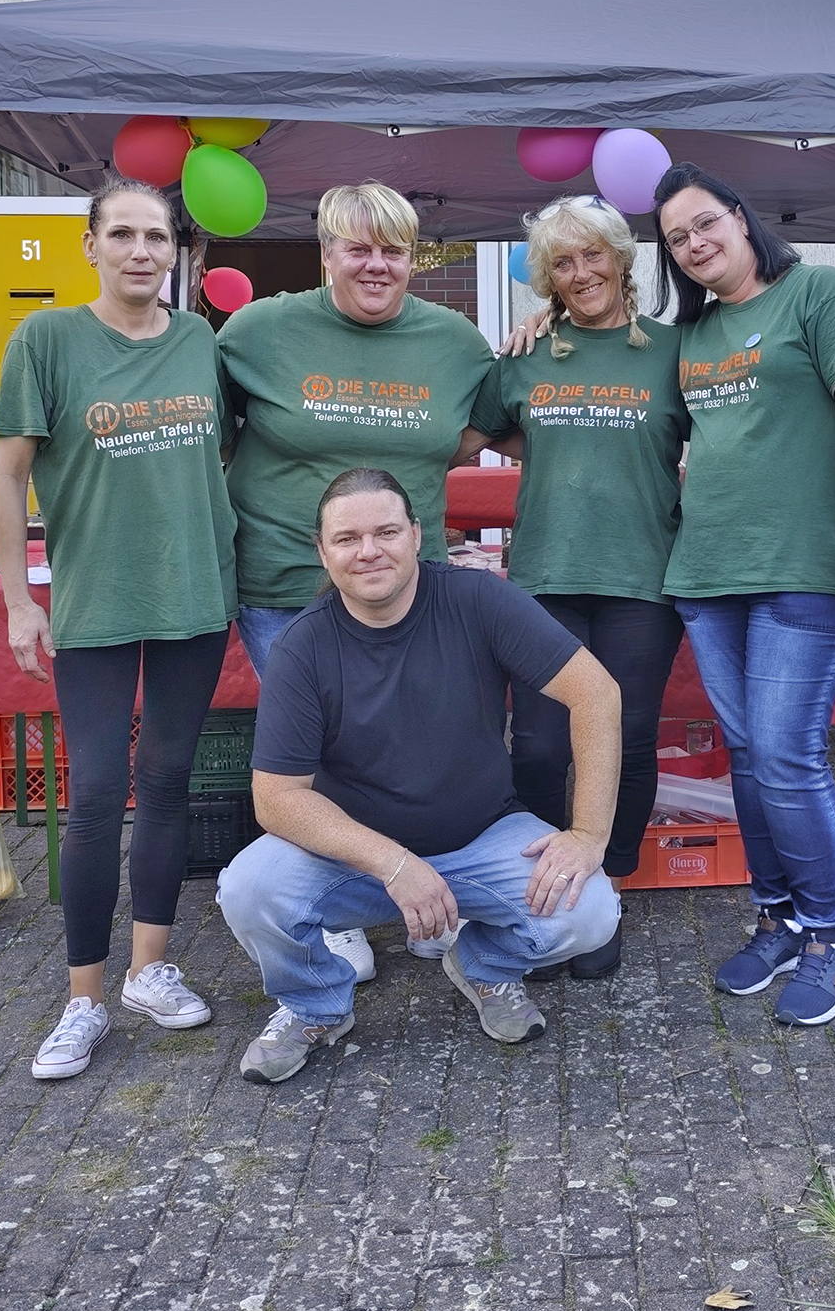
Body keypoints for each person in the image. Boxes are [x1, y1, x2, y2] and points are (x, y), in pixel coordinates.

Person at [216, 468, 623, 1083]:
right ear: (321, 552)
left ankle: (483, 967)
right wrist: (395, 865)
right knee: (247, 888)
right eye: (347, 539)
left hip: (478, 835)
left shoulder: (477, 600)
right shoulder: (304, 647)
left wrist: (589, 833)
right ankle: (314, 1006)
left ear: (417, 534)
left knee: (589, 912)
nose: (369, 551)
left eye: (386, 531)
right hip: (354, 859)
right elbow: (276, 799)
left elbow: (596, 692)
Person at [215, 181, 498, 982]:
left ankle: (424, 893)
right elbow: (215, 432)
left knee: (421, 743)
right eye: (359, 247)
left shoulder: (456, 342)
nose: (377, 264)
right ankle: (332, 914)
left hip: (414, 590)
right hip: (287, 581)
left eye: (395, 250)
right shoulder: (259, 331)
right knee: (318, 758)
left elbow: (478, 427)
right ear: (327, 252)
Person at [0, 177, 236, 1081]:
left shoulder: (201, 343)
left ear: (178, 252)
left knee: (167, 783)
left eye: (157, 237)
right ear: (90, 246)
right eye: (122, 234)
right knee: (94, 797)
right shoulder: (46, 340)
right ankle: (83, 998)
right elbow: (9, 476)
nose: (141, 251)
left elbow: (227, 456)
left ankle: (149, 969)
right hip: (94, 603)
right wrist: (20, 599)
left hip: (194, 597)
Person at [652, 162, 835, 1027]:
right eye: (677, 239)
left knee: (788, 757)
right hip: (710, 576)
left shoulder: (820, 294)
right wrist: (548, 322)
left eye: (706, 223)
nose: (695, 244)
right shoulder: (695, 337)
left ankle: (830, 941)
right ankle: (779, 919)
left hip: (808, 570)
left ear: (743, 217)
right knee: (750, 757)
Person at [472, 196, 688, 980]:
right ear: (547, 279)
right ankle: (537, 891)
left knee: (626, 742)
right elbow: (477, 429)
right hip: (543, 576)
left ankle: (606, 891)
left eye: (593, 256)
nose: (581, 272)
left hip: (641, 578)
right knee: (534, 746)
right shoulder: (530, 352)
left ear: (621, 260)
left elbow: (727, 436)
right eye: (562, 262)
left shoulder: (672, 351)